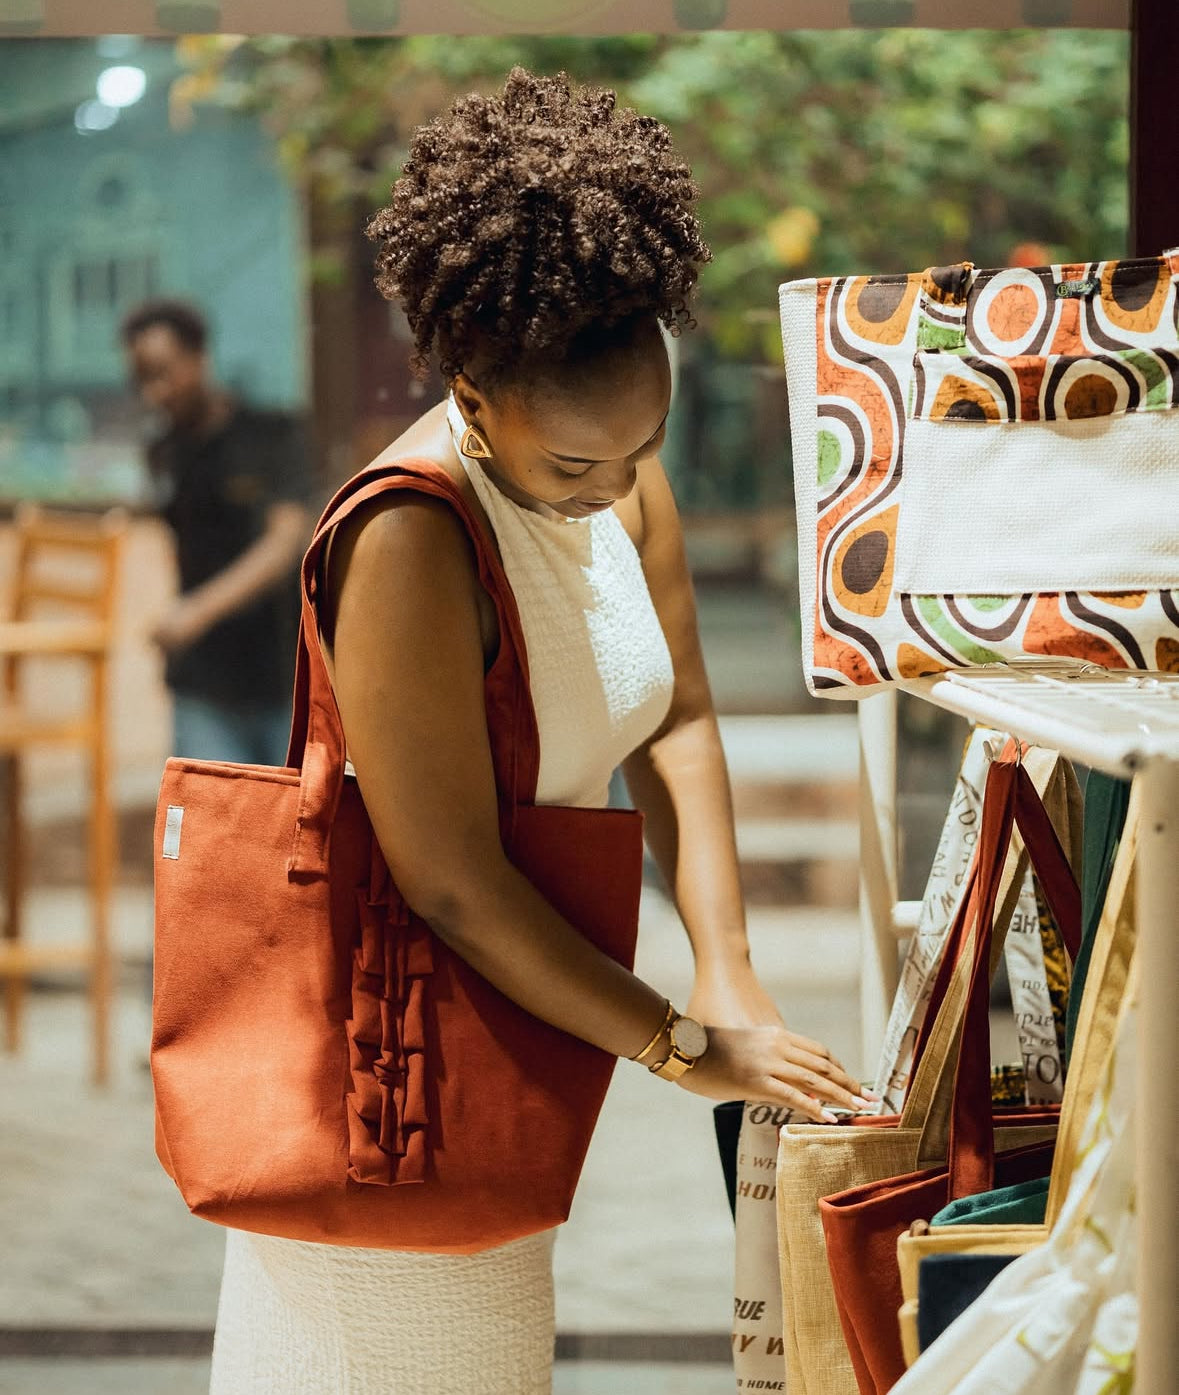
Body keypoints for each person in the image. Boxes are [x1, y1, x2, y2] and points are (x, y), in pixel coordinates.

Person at [207, 69, 874, 1395]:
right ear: (470, 389)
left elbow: (677, 713)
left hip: (503, 1048)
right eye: (575, 466)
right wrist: (682, 1044)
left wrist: (727, 961)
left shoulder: (613, 465)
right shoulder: (411, 534)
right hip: (392, 1075)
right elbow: (451, 881)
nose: (614, 489)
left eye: (643, 447)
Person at [121, 300, 313, 770]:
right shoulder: (165, 452)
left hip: (281, 676)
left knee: (291, 812)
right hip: (201, 684)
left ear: (199, 358)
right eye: (142, 379)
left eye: (163, 373)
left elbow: (285, 543)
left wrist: (196, 613)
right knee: (207, 817)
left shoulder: (271, 436)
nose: (154, 392)